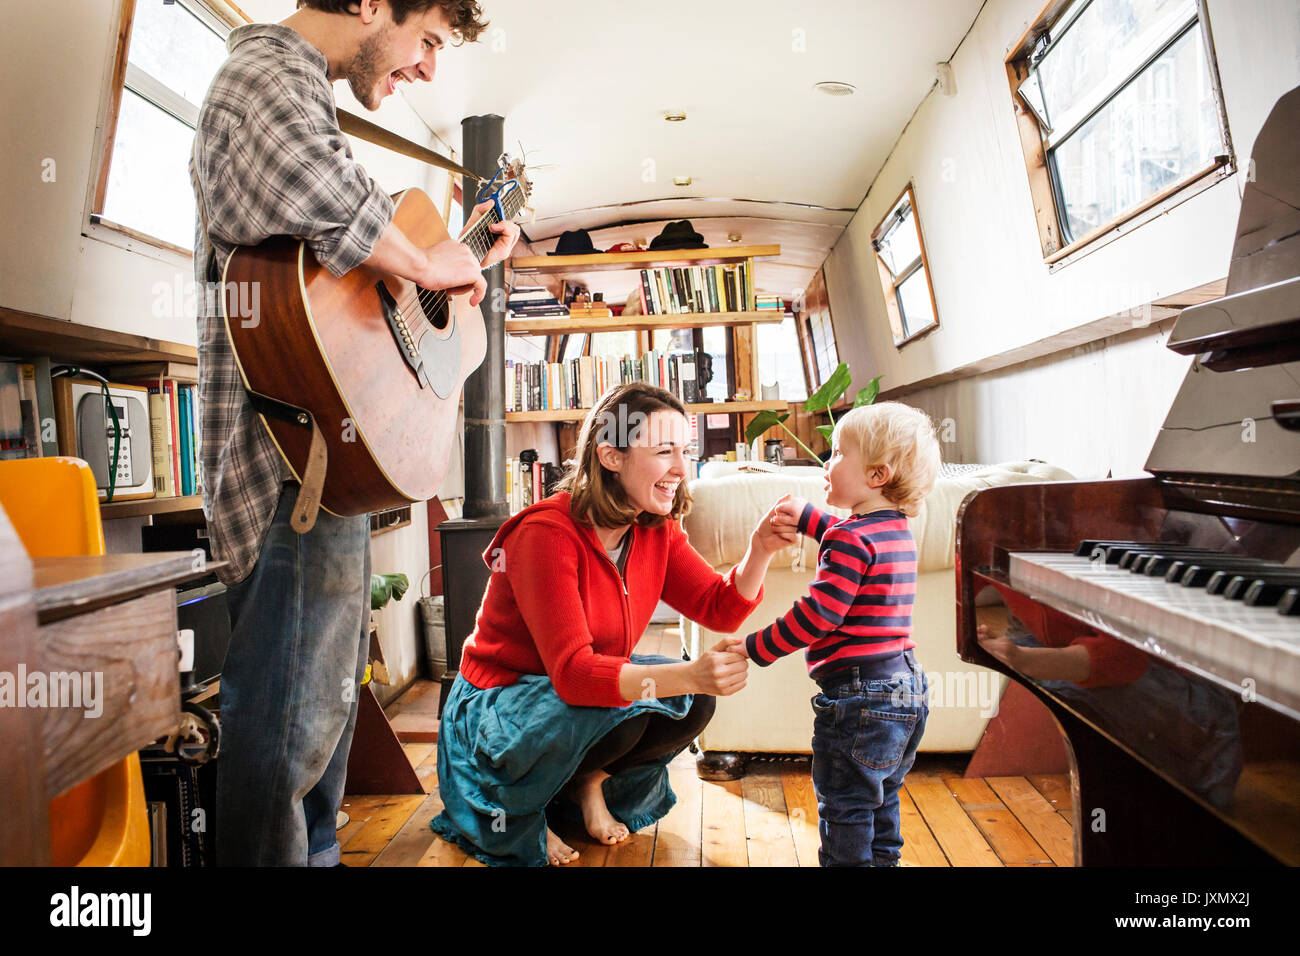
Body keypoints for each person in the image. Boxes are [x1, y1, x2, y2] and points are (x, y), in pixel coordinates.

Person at [190, 0, 517, 866]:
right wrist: (426, 260)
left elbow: (366, 262)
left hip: (323, 463)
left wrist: (461, 259)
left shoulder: (301, 94)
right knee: (287, 758)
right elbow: (317, 191)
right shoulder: (264, 74)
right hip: (287, 470)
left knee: (319, 746)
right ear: (372, 3)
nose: (427, 68)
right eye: (429, 41)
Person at [430, 383, 798, 866]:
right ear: (610, 456)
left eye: (683, 452)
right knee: (631, 696)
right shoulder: (546, 534)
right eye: (664, 451)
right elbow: (576, 675)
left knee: (688, 702)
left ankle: (587, 782)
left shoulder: (654, 526)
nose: (680, 469)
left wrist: (761, 548)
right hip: (502, 700)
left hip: (569, 697)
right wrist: (689, 673)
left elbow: (718, 607)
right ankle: (525, 810)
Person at [737, 401, 941, 866]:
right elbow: (846, 536)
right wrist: (810, 518)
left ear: (876, 475)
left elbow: (819, 616)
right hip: (907, 689)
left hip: (859, 697)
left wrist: (756, 647)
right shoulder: (895, 529)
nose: (827, 464)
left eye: (837, 454)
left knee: (846, 806)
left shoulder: (850, 540)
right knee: (882, 797)